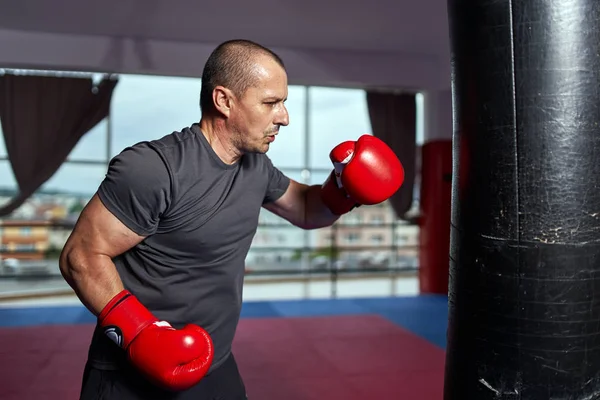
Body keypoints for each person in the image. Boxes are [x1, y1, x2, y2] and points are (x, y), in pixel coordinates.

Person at [59, 39, 404, 400]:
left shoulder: (256, 166)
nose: (284, 117)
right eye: (271, 103)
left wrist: (342, 190)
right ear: (224, 100)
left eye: (284, 102)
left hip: (215, 361)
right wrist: (139, 333)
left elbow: (305, 209)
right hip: (132, 369)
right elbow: (80, 256)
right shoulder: (155, 169)